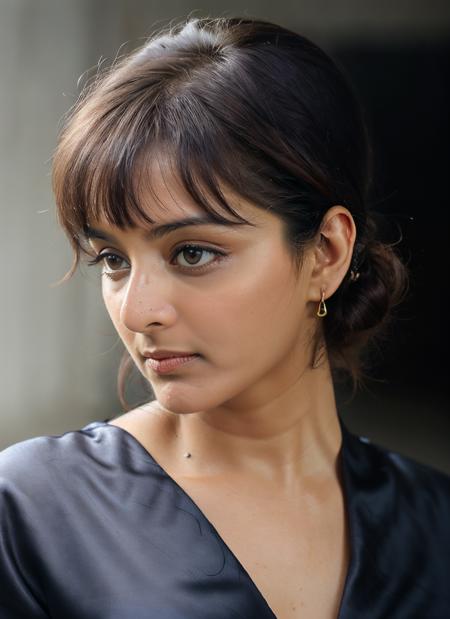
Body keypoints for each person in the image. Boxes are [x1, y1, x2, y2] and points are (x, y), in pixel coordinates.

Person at [0, 15, 449, 619]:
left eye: (193, 253)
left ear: (326, 254)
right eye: (112, 259)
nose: (137, 311)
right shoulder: (32, 510)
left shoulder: (435, 524)